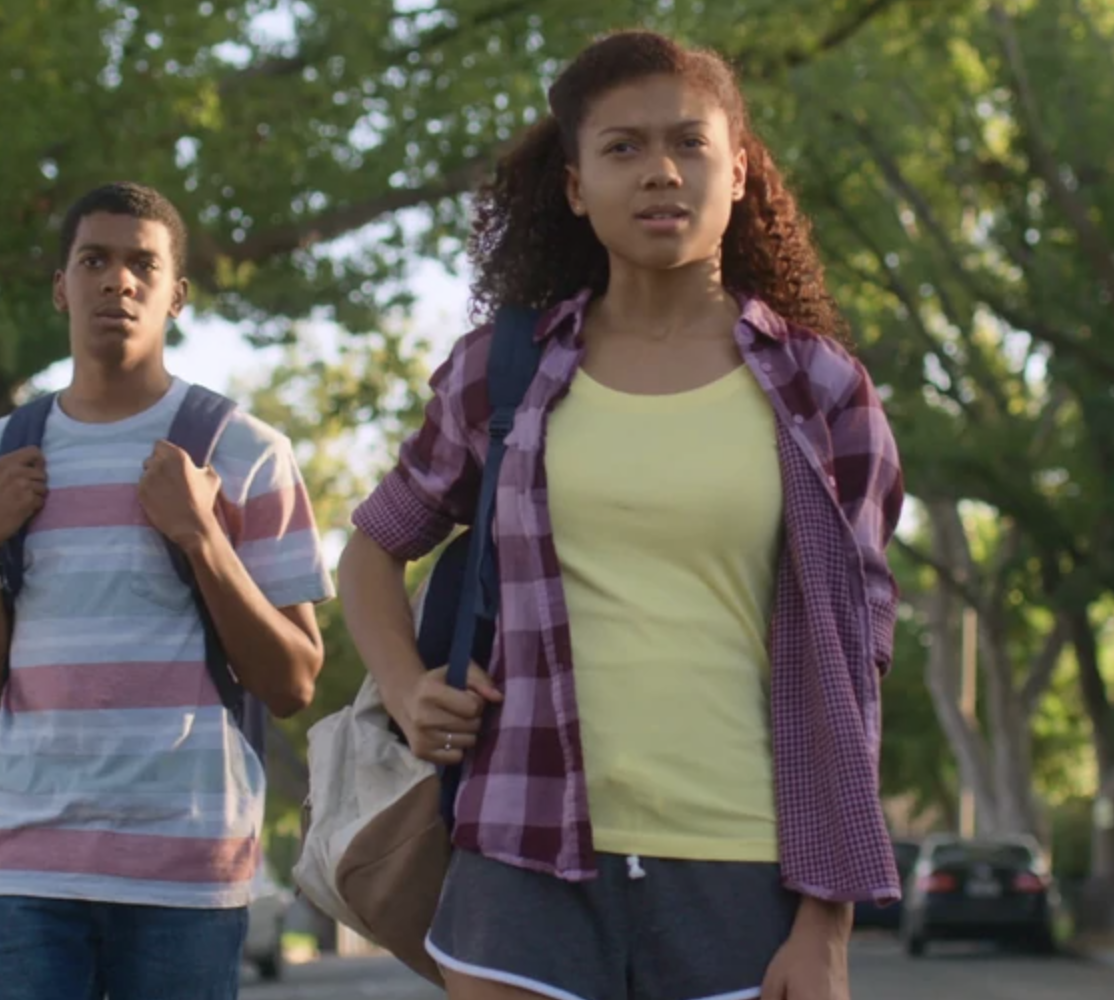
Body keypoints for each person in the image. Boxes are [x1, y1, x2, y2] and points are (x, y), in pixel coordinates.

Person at [338, 29, 903, 1000]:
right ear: (573, 185)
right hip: (521, 853)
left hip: (744, 867)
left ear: (737, 174)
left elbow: (853, 663)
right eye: (622, 147)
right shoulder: (499, 371)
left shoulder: (821, 391)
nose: (659, 172)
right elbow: (370, 551)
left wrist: (827, 922)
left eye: (689, 143)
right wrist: (402, 686)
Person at [0, 182, 333, 1000]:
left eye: (141, 265)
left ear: (176, 296)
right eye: (94, 260)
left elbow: (293, 681)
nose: (117, 282)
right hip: (26, 867)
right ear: (61, 287)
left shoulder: (244, 452)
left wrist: (200, 535)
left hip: (184, 869)